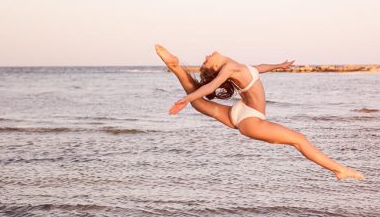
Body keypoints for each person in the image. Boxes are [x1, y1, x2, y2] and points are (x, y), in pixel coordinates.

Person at [156, 45, 364, 180]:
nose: (207, 55)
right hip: (249, 120)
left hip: (240, 113)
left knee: (200, 104)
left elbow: (259, 68)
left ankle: (176, 67)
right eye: (206, 61)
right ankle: (339, 170)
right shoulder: (228, 69)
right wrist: (185, 99)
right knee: (300, 140)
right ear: (216, 67)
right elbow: (210, 88)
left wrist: (279, 65)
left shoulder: (236, 66)